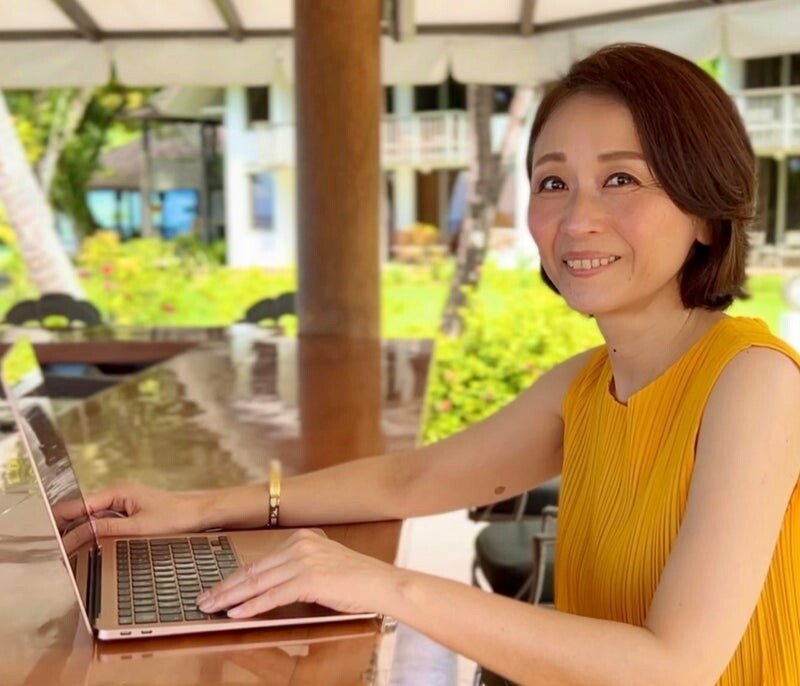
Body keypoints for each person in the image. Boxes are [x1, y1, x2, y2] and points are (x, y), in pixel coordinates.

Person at [82, 44, 800, 685]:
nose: (578, 218)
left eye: (622, 179)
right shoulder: (586, 383)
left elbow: (673, 667)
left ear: (707, 215)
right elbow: (411, 480)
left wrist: (384, 584)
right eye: (553, 182)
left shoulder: (754, 382)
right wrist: (199, 509)